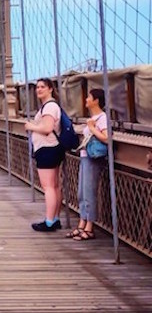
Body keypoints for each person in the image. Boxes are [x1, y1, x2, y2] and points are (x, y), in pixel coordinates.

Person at [67, 88, 108, 241]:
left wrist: (91, 128)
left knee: (89, 192)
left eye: (89, 97)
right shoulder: (93, 117)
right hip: (86, 156)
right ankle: (82, 223)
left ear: (96, 100)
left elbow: (106, 138)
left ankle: (89, 227)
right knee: (82, 193)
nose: (86, 99)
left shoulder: (102, 118)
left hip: (93, 158)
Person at [24, 78, 64, 232]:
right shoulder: (52, 106)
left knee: (48, 187)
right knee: (54, 186)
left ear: (50, 89)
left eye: (42, 87)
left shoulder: (49, 107)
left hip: (47, 149)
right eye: (37, 87)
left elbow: (47, 128)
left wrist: (31, 126)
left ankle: (49, 222)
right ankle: (55, 218)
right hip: (52, 148)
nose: (39, 90)